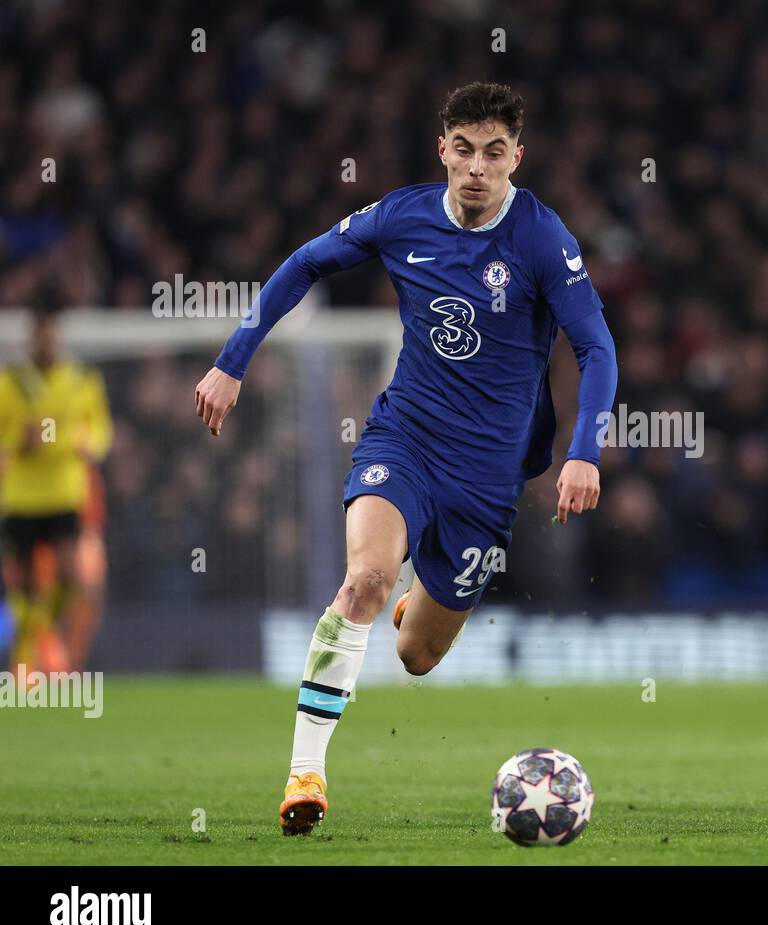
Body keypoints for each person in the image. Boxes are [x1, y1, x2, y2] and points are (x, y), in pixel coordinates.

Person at [194, 82, 618, 835]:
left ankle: (408, 596)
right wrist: (234, 360)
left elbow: (597, 347)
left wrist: (584, 451)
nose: (477, 168)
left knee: (417, 654)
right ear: (442, 151)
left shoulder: (543, 240)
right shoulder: (402, 216)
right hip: (405, 440)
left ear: (517, 157)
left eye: (494, 153)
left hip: (487, 481)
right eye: (464, 150)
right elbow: (302, 264)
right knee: (363, 577)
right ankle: (306, 773)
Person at [0, 307, 113, 673]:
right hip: (22, 497)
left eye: (51, 335)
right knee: (24, 584)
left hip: (64, 494)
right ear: (31, 338)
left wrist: (88, 444)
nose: (46, 341)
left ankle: (35, 639)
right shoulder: (11, 383)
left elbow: (100, 430)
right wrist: (18, 440)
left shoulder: (81, 379)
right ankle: (30, 651)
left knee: (70, 577)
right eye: (40, 335)